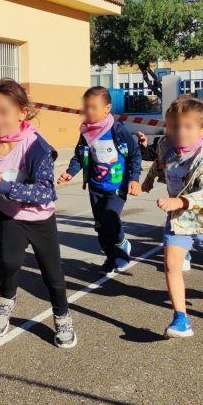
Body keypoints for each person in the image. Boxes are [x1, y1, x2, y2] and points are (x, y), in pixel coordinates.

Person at [0, 79, 76, 349]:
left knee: (53, 275)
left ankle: (62, 315)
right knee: (8, 263)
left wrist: (4, 185)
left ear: (22, 113)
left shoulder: (35, 147)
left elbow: (45, 192)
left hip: (40, 219)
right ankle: (5, 300)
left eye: (3, 112)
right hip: (10, 216)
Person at [141, 96, 203, 338]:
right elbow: (160, 162)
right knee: (171, 264)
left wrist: (181, 201)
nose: (179, 132)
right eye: (174, 126)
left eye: (187, 126)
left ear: (202, 130)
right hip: (179, 220)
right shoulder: (166, 145)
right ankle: (181, 318)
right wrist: (149, 179)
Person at [58, 86, 141, 276]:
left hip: (117, 186)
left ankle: (121, 243)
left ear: (107, 108)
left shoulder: (118, 130)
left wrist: (135, 179)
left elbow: (135, 154)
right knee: (100, 227)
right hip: (96, 187)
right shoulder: (86, 132)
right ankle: (111, 258)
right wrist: (70, 172)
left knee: (110, 218)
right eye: (86, 107)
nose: (88, 111)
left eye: (93, 107)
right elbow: (80, 156)